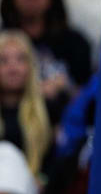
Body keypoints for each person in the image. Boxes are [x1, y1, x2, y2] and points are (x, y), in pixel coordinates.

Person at [0, 0, 92, 123]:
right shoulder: (3, 41)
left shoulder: (75, 44)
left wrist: (65, 87)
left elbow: (88, 97)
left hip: (62, 131)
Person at [0, 30, 52, 180]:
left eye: (20, 59)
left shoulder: (48, 109)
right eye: (3, 61)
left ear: (30, 66)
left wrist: (42, 181)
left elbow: (54, 163)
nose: (13, 68)